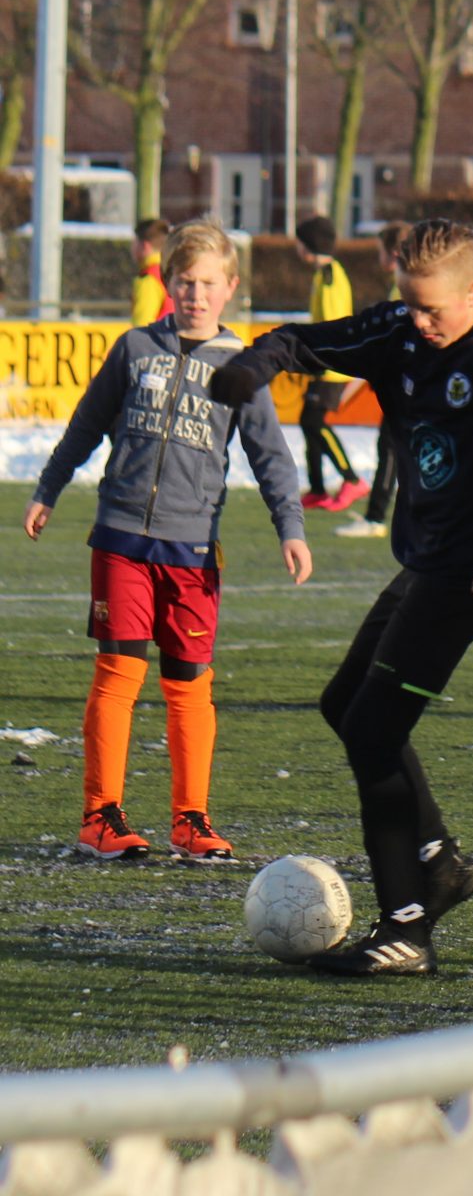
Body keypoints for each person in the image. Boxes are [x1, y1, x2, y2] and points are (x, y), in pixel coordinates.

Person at [208, 218, 473, 976]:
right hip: (421, 562)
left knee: (376, 729)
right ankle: (439, 862)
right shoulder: (399, 329)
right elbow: (299, 339)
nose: (416, 322)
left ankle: (408, 924)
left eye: (432, 310)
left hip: (471, 574)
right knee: (343, 705)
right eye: (409, 305)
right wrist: (251, 369)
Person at [26, 217, 312, 863]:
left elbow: (271, 458)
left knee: (189, 685)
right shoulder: (133, 349)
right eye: (185, 281)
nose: (196, 294)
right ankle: (100, 815)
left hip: (192, 551)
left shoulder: (243, 366)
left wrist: (289, 528)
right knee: (118, 674)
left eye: (209, 283)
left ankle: (192, 820)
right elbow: (86, 424)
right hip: (123, 537)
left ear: (230, 287)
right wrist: (48, 488)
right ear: (167, 280)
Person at [335, 221, 409, 540]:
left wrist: (357, 380)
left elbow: (387, 345)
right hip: (407, 384)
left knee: (391, 450)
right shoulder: (406, 286)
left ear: (392, 254)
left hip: (403, 387)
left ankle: (376, 517)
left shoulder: (402, 288)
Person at [294, 216, 368, 513]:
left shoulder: (330, 276)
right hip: (324, 362)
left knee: (314, 421)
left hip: (332, 365)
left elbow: (335, 324)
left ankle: (351, 480)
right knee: (307, 421)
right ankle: (317, 489)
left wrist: (325, 359)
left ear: (307, 245)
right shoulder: (324, 273)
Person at [131, 219, 174, 326]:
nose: (132, 247)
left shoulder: (149, 278)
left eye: (134, 243)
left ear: (145, 246)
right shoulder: (174, 271)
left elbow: (142, 324)